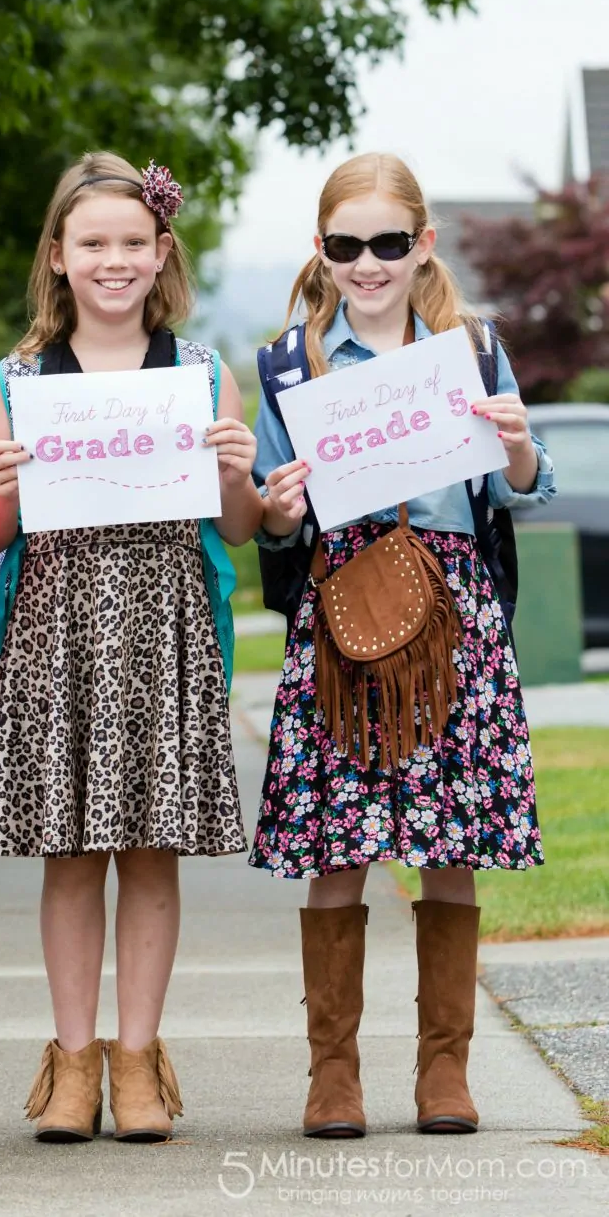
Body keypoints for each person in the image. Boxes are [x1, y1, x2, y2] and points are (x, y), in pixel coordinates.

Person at [250, 152, 554, 1140]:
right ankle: (331, 1078)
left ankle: (443, 1074)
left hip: (453, 610)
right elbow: (266, 518)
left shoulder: (470, 347)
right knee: (337, 843)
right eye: (347, 246)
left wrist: (512, 441)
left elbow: (524, 482)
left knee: (449, 844)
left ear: (422, 246)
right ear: (322, 253)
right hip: (341, 610)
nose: (368, 263)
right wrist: (275, 506)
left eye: (388, 243)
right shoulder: (290, 364)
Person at [0, 152, 257, 1143]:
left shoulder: (201, 373)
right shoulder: (15, 380)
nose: (114, 260)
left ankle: (138, 1062)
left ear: (160, 252)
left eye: (133, 243)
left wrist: (236, 470)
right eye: (93, 244)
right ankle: (73, 1061)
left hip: (166, 625)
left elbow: (242, 527)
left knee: (152, 852)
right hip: (57, 632)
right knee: (72, 855)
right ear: (58, 256)